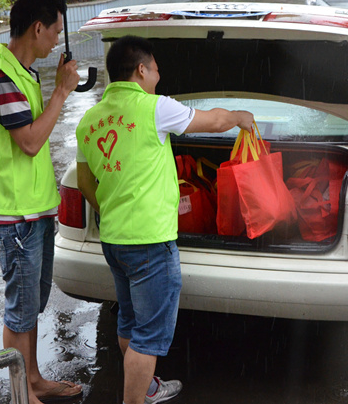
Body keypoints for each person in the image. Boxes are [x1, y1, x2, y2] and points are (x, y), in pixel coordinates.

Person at [75, 35, 254, 404]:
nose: (159, 74)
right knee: (150, 336)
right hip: (150, 243)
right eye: (155, 67)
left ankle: (147, 386)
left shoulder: (88, 121)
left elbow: (83, 181)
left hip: (115, 240)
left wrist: (110, 209)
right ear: (141, 70)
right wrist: (240, 117)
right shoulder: (154, 108)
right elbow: (215, 121)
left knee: (129, 322)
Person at [0, 0, 82, 404]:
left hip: (34, 208)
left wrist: (55, 88)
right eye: (55, 30)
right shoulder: (1, 78)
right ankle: (21, 395)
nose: (57, 39)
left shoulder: (23, 73)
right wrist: (62, 92)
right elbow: (31, 142)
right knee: (20, 309)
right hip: (13, 215)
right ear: (37, 28)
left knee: (32, 302)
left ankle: (32, 378)